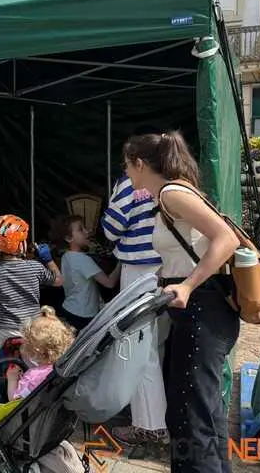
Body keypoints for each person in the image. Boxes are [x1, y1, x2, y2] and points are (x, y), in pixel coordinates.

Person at [123, 131, 240, 473]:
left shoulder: (173, 193)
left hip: (203, 307)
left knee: (189, 414)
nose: (127, 174)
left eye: (127, 166)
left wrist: (187, 285)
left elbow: (226, 238)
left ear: (140, 164)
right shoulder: (172, 193)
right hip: (204, 309)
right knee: (203, 410)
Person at [102, 174, 168, 444]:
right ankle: (157, 418)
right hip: (165, 267)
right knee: (156, 345)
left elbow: (111, 228)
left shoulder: (131, 182)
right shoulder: (171, 179)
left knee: (139, 346)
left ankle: (149, 426)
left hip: (139, 269)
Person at [0, 215, 62, 384]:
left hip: (2, 328)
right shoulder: (35, 267)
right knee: (36, 365)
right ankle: (32, 391)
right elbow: (58, 281)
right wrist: (48, 260)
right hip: (31, 327)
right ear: (20, 244)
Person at [54, 215, 120, 331]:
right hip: (84, 314)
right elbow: (109, 283)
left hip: (70, 308)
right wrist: (122, 260)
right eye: (80, 229)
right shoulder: (83, 259)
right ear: (69, 238)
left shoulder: (66, 256)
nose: (87, 231)